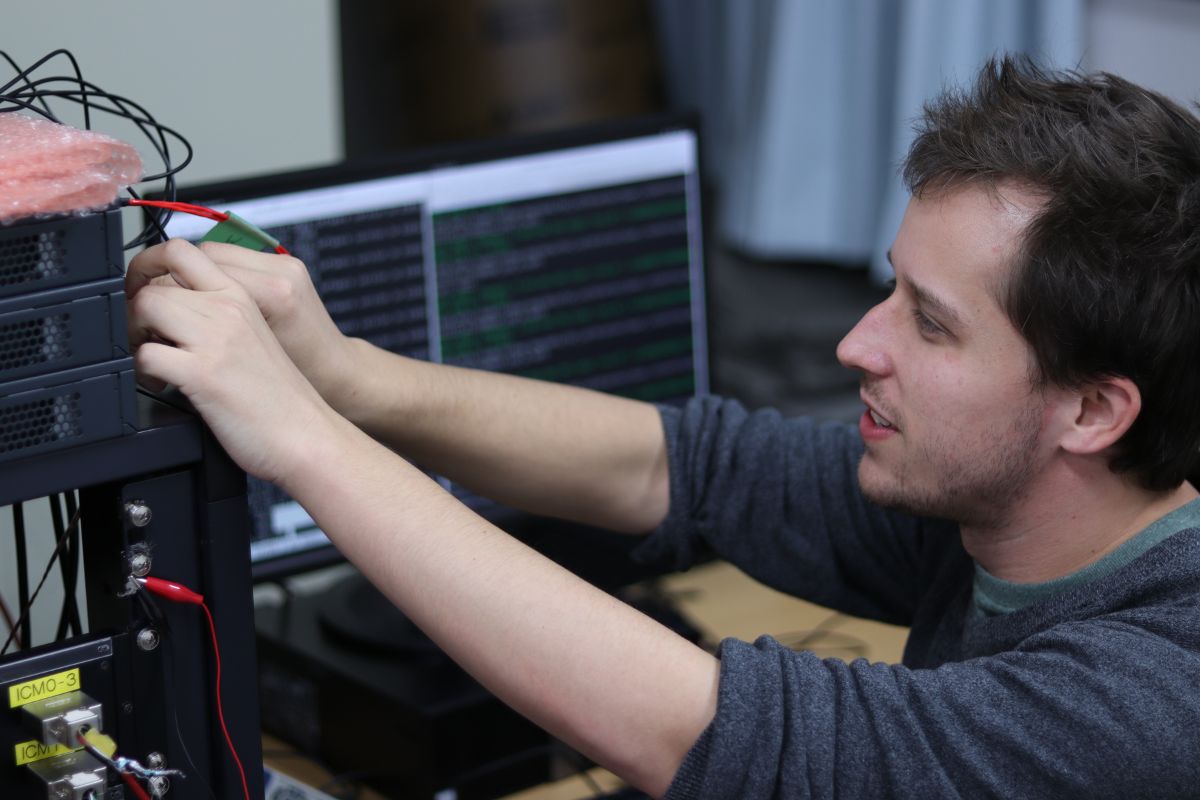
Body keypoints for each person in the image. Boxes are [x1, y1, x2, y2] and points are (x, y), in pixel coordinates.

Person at [125, 56, 1200, 798]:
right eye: (891, 291)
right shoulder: (1008, 517)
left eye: (930, 323)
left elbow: (705, 734)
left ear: (1094, 409)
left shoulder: (1149, 702)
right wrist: (346, 376)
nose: (858, 346)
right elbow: (684, 465)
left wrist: (302, 438)